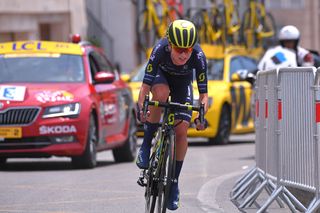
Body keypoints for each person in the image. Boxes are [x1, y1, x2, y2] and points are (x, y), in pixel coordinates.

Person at [136, 19, 208, 210]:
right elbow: (144, 87)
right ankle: (145, 145)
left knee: (182, 129)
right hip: (162, 77)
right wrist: (142, 106)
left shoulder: (199, 56)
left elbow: (203, 95)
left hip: (183, 83)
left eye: (188, 50)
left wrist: (201, 115)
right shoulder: (159, 49)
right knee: (160, 94)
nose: (184, 54)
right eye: (179, 49)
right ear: (170, 45)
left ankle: (174, 182)